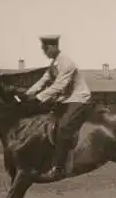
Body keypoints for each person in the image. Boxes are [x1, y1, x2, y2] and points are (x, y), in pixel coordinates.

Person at [25, 35, 92, 180]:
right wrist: (26, 94)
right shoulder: (54, 64)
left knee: (63, 128)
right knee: (46, 124)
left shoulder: (67, 63)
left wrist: (38, 97)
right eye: (43, 49)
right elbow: (43, 81)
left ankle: (59, 168)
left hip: (79, 99)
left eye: (46, 48)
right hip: (66, 99)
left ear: (54, 47)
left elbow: (59, 85)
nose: (44, 52)